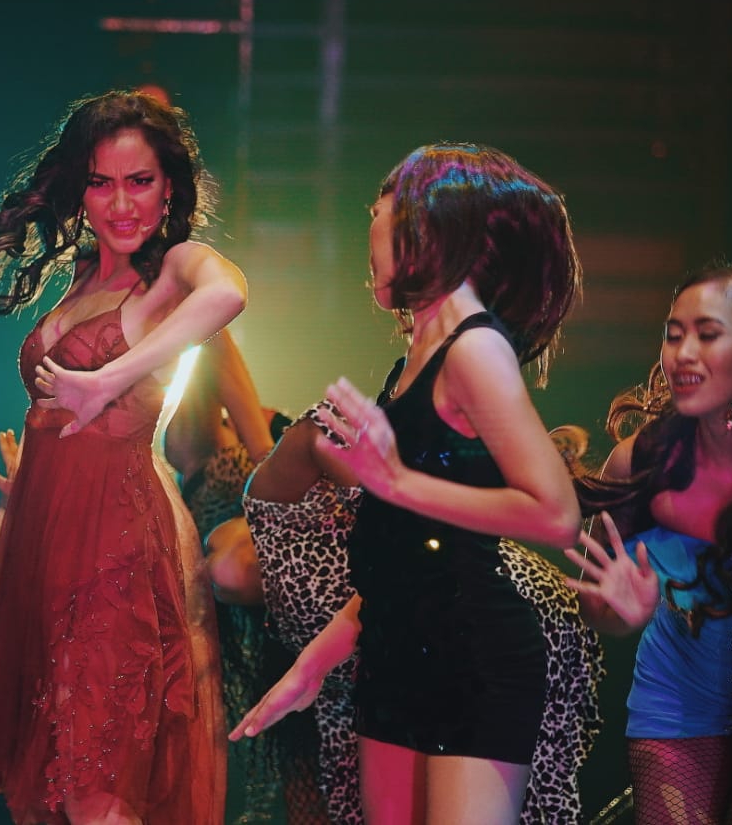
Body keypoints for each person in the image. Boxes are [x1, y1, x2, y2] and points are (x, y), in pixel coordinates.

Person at [233, 142, 583, 824]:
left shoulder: (475, 348)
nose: (369, 229)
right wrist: (313, 665)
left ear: (431, 228)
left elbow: (556, 513)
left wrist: (394, 480)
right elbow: (403, 559)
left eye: (380, 211)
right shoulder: (411, 359)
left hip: (476, 662)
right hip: (393, 659)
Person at [0, 89, 245, 824]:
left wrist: (109, 378)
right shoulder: (81, 277)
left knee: (94, 782)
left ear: (170, 187)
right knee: (55, 787)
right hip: (47, 541)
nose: (121, 204)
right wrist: (31, 484)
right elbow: (59, 417)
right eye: (101, 183)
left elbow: (229, 294)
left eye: (140, 181)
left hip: (113, 554)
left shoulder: (175, 267)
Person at [233, 399, 604, 823]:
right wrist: (310, 667)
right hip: (388, 652)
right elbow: (395, 573)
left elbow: (413, 552)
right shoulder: (286, 551)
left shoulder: (303, 466)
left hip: (480, 632)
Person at [567, 263, 732, 824]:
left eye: (708, 334)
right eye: (673, 335)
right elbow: (595, 607)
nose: (682, 353)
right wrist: (620, 610)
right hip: (677, 706)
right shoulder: (641, 460)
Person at [163, 331, 331, 825]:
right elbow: (213, 338)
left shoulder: (272, 446)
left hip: (293, 614)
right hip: (235, 628)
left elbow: (215, 336)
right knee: (272, 759)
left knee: (309, 761)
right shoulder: (195, 437)